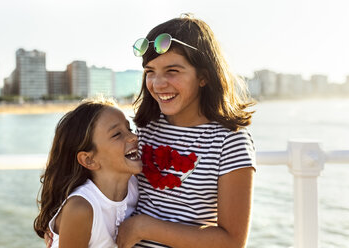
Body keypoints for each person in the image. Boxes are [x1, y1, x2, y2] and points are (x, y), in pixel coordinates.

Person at [116, 14, 256, 248]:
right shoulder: (142, 129)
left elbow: (232, 241)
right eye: (150, 71)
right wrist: (60, 220)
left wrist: (142, 227)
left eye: (172, 71)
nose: (158, 84)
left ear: (203, 76)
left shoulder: (230, 142)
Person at [34, 98, 142, 248]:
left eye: (129, 129)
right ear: (89, 160)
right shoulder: (81, 209)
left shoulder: (135, 185)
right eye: (117, 134)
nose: (134, 137)